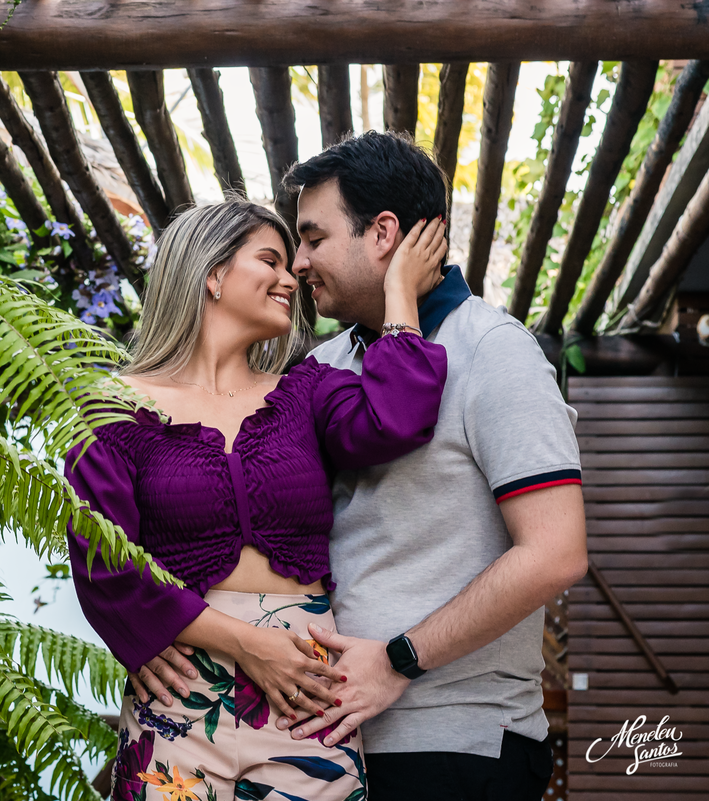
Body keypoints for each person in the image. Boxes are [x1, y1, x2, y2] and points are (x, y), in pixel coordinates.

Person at [139, 132, 588, 801]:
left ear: (383, 233)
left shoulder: (493, 351)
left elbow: (555, 554)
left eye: (314, 238)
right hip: (314, 742)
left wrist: (399, 660)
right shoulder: (321, 369)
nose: (299, 263)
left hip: (447, 742)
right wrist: (157, 625)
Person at [64, 200, 449, 800]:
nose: (292, 277)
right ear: (212, 274)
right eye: (269, 259)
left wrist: (400, 294)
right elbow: (104, 562)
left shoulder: (309, 391)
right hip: (181, 687)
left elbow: (398, 418)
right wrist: (249, 644)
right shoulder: (111, 408)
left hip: (307, 690)